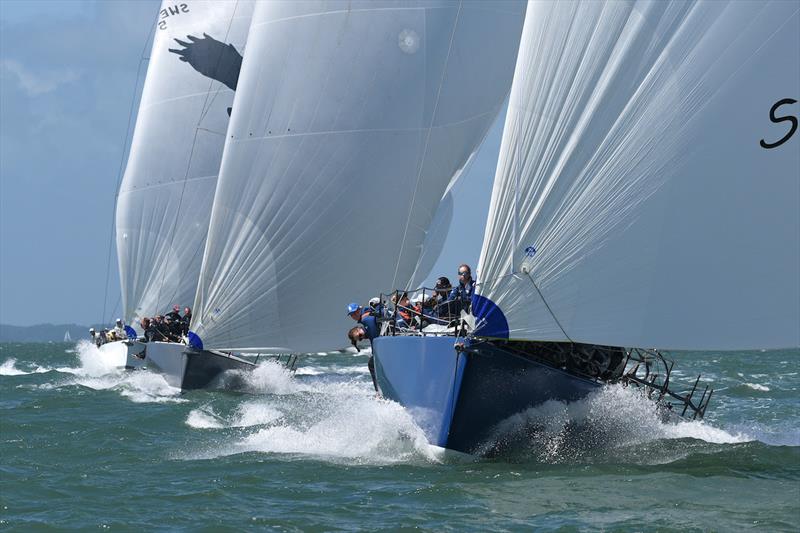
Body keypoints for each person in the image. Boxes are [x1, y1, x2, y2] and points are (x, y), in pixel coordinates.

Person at [347, 325, 379, 392]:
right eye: (360, 339)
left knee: (371, 363)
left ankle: (378, 392)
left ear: (359, 329)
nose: (362, 337)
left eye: (360, 335)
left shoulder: (369, 326)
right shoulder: (370, 333)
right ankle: (378, 391)